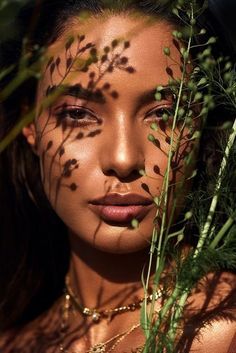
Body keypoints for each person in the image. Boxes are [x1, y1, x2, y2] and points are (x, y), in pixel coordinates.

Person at [0, 0, 235, 352]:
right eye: (78, 114)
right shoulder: (16, 341)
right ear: (30, 124)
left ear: (201, 123)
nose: (124, 159)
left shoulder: (222, 331)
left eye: (164, 114)